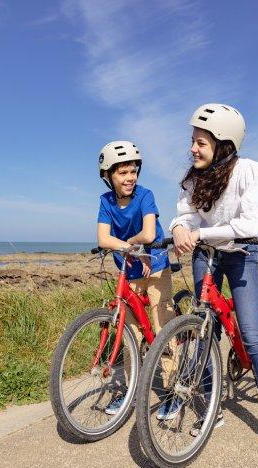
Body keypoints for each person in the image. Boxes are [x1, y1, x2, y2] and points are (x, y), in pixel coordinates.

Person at [169, 103, 258, 465]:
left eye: (201, 143)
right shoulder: (194, 179)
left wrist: (197, 232)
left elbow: (250, 225)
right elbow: (184, 215)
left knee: (253, 336)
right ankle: (212, 408)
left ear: (223, 144)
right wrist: (179, 228)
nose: (193, 149)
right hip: (204, 253)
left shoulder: (249, 171)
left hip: (241, 253)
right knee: (203, 330)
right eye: (192, 141)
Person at [95, 141, 179, 416]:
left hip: (154, 266)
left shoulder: (145, 195)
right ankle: (129, 390)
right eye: (122, 173)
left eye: (132, 171)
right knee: (129, 332)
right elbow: (102, 237)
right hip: (128, 269)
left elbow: (148, 233)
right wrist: (129, 249)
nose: (129, 178)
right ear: (108, 176)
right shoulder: (105, 201)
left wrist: (130, 244)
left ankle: (173, 390)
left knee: (161, 325)